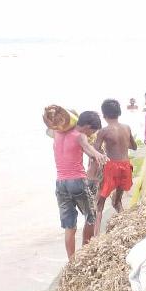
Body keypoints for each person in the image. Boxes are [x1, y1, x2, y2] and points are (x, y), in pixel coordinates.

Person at [45, 109, 107, 260]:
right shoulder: (80, 136)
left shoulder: (56, 134)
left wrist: (62, 120)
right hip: (77, 182)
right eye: (92, 130)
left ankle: (71, 260)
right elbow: (88, 148)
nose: (92, 134)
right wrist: (98, 155)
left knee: (69, 225)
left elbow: (49, 128)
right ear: (86, 127)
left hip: (60, 184)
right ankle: (86, 254)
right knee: (90, 217)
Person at [94, 99, 137, 234]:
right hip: (125, 166)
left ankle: (96, 235)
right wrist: (122, 143)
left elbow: (95, 151)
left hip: (112, 167)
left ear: (104, 115)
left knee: (100, 203)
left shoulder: (103, 131)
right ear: (119, 113)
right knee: (117, 201)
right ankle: (126, 228)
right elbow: (134, 147)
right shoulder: (127, 127)